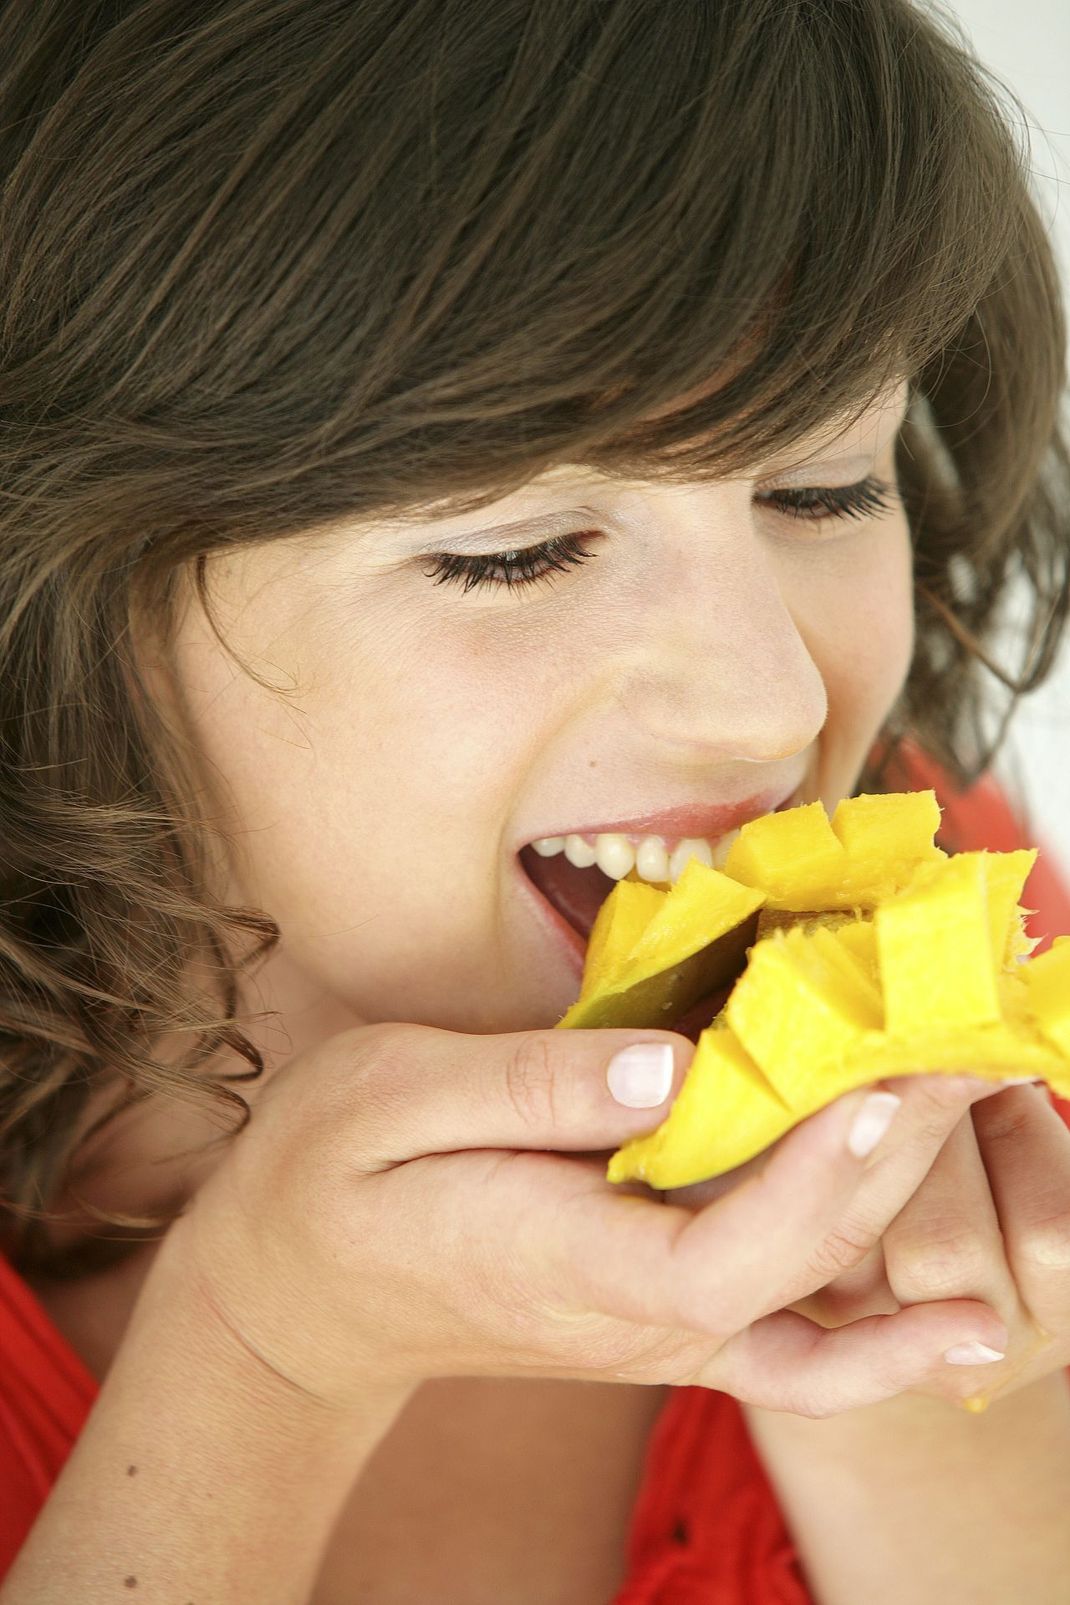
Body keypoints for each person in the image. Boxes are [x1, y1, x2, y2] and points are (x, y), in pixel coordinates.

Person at [2, 1, 1070, 1600]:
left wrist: (908, 1351)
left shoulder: (951, 933)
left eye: (823, 487)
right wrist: (264, 1362)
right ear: (70, 600)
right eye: (512, 548)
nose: (771, 704)